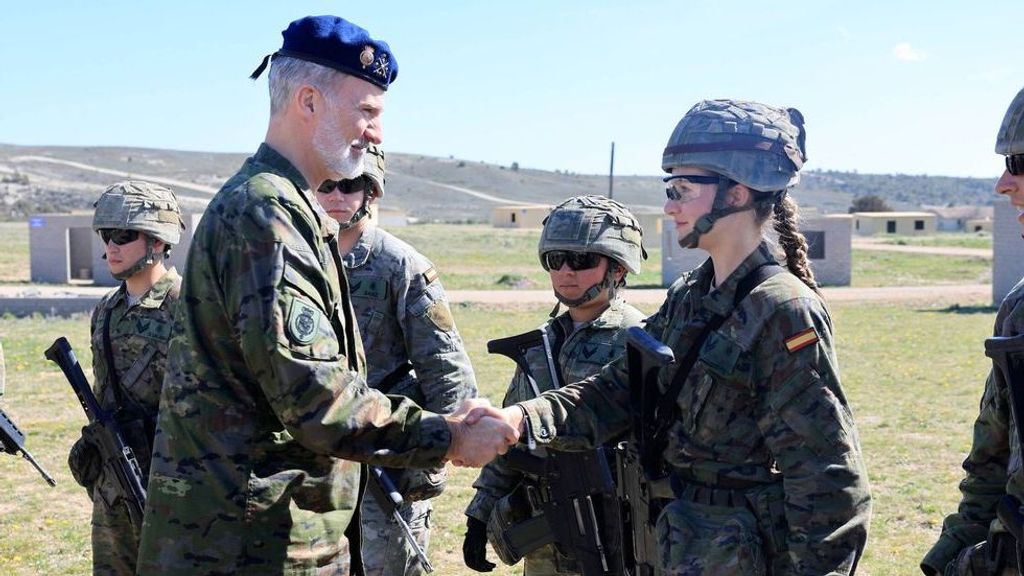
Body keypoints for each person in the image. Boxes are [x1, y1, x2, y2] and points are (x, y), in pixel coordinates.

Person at [135, 15, 515, 575]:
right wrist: (449, 435)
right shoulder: (266, 214)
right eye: (367, 111)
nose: (376, 132)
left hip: (262, 535)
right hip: (248, 545)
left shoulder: (286, 208)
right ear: (308, 101)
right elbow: (319, 401)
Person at [470, 99, 872, 574]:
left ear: (737, 193)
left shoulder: (782, 310)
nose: (669, 205)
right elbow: (614, 390)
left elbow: (828, 482)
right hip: (680, 546)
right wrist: (520, 418)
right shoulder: (692, 294)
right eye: (670, 188)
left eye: (683, 189)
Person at [314, 145, 479, 576]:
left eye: (348, 185)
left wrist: (443, 446)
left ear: (371, 191)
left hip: (385, 458)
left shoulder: (400, 266)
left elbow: (446, 369)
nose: (335, 196)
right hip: (315, 460)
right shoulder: (304, 264)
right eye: (326, 185)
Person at [462, 195, 647, 575]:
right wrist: (479, 515)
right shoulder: (541, 343)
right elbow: (510, 439)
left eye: (581, 260)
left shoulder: (638, 339)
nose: (566, 271)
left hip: (617, 532)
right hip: (549, 533)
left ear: (618, 268)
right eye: (555, 260)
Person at [920, 87, 1024, 576]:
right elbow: (991, 462)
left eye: (1020, 163)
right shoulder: (1021, 310)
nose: (1004, 184)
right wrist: (946, 560)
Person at [66, 180, 184, 576]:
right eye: (106, 235)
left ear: (157, 240)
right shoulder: (107, 310)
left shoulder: (186, 307)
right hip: (113, 485)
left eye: (122, 235)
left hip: (173, 489)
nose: (111, 246)